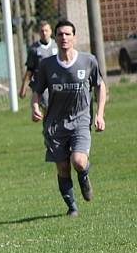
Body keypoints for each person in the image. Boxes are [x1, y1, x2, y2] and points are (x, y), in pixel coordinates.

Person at [31, 20, 106, 217]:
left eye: (67, 34)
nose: (64, 38)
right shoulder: (47, 65)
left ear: (74, 37)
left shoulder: (88, 61)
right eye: (60, 34)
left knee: (79, 161)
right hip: (55, 124)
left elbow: (100, 85)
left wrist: (99, 114)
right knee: (63, 167)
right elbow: (37, 91)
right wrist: (34, 107)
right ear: (55, 38)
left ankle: (84, 175)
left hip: (81, 120)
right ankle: (72, 207)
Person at [19, 20, 58, 103]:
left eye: (46, 30)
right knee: (46, 110)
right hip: (41, 85)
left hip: (57, 84)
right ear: (39, 33)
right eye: (42, 31)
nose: (44, 33)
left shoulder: (57, 45)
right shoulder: (34, 49)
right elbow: (30, 70)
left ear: (51, 31)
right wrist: (23, 88)